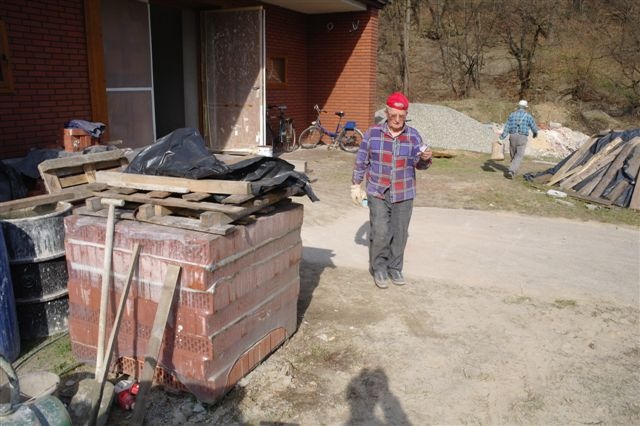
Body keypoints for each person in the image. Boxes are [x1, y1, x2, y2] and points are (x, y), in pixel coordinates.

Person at [351, 92, 432, 289]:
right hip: (378, 190)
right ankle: (379, 267)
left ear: (406, 115)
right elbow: (361, 160)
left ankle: (395, 267)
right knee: (380, 231)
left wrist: (425, 158)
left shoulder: (413, 136)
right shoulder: (372, 134)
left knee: (400, 232)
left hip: (404, 191)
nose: (397, 120)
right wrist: (356, 184)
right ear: (386, 113)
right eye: (393, 115)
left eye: (401, 116)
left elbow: (420, 165)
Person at [499, 99, 539, 179]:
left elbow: (507, 127)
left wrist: (501, 137)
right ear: (525, 107)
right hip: (522, 137)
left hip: (512, 136)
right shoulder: (528, 116)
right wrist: (535, 134)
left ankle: (513, 169)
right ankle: (512, 171)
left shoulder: (512, 115)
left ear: (518, 106)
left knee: (513, 154)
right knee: (519, 155)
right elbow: (534, 127)